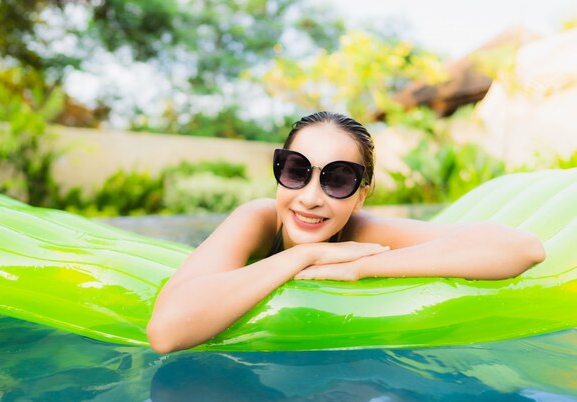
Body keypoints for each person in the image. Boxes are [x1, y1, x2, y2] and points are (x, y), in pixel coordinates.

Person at [147, 111, 546, 354]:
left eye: (337, 179)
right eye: (296, 170)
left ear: (361, 196)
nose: (310, 198)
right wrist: (302, 256)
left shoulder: (362, 229)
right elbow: (166, 333)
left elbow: (521, 249)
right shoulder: (258, 219)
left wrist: (361, 268)